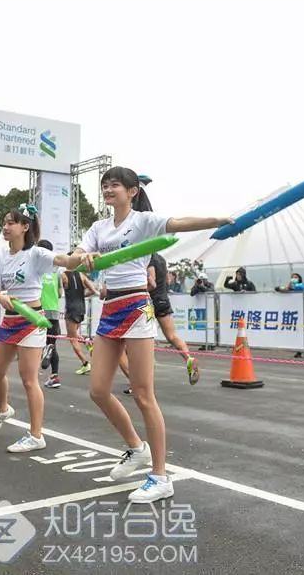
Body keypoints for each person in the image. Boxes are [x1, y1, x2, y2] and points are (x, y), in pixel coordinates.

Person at [73, 166, 231, 503]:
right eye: (105, 185)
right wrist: (81, 257)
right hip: (110, 308)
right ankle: (136, 447)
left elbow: (180, 223)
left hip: (136, 306)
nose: (108, 189)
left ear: (132, 191)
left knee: (144, 394)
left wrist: (218, 220)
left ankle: (160, 477)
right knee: (98, 390)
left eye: (115, 185)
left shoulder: (143, 221)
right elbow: (75, 257)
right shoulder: (99, 228)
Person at [0, 204, 93, 453]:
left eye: (11, 222)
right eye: (4, 222)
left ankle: (36, 435)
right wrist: (1, 297)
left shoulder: (36, 254)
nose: (5, 227)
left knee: (28, 379)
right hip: (9, 320)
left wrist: (83, 257)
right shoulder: (2, 256)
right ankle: (3, 409)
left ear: (25, 227)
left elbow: (65, 260)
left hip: (33, 321)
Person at [148, 252, 199, 384]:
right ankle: (188, 358)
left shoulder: (148, 258)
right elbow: (168, 280)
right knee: (172, 336)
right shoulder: (161, 259)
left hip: (149, 302)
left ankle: (143, 376)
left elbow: (151, 281)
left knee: (144, 338)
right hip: (163, 300)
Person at [64, 256, 99, 376]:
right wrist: (80, 296)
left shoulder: (64, 276)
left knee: (72, 338)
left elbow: (59, 291)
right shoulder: (81, 275)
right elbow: (92, 290)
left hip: (71, 309)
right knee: (74, 334)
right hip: (81, 308)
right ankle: (88, 344)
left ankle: (85, 363)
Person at [37, 239, 64, 389]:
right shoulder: (57, 271)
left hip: (39, 311)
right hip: (53, 311)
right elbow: (60, 293)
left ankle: (32, 374)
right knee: (52, 343)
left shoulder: (36, 269)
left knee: (33, 343)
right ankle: (54, 376)